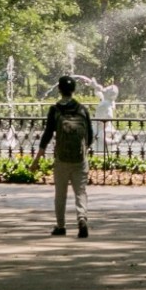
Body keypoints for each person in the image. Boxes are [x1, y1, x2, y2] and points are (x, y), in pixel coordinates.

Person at [35, 75, 94, 238]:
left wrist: (37, 159)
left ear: (59, 90)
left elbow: (47, 135)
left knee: (60, 193)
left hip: (61, 158)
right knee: (80, 191)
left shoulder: (55, 110)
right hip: (80, 159)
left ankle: (61, 226)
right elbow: (90, 134)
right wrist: (84, 150)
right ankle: (82, 217)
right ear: (74, 90)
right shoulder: (82, 109)